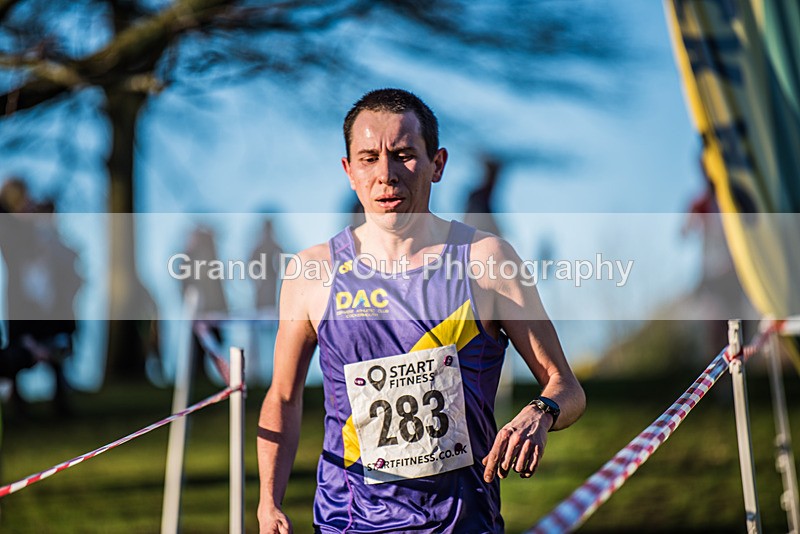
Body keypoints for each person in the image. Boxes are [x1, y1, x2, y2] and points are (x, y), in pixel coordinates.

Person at [257, 89, 585, 533]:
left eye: (404, 154)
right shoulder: (312, 272)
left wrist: (541, 411)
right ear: (349, 171)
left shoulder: (486, 261)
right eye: (368, 158)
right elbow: (283, 395)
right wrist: (268, 502)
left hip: (460, 522)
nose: (386, 175)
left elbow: (566, 386)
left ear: (438, 164)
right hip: (348, 522)